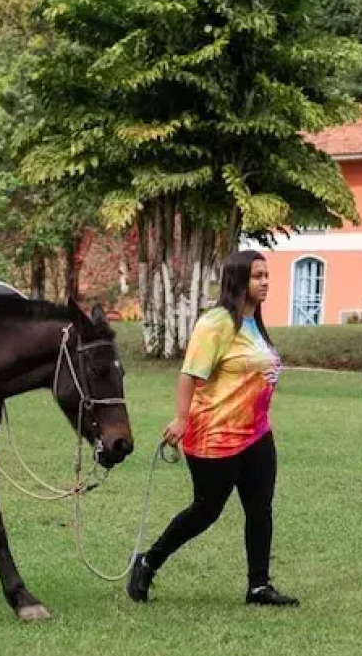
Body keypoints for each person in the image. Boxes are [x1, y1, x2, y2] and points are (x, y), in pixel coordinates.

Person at [126, 250, 298, 607]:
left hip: (257, 433)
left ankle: (258, 586)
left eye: (267, 275)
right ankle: (147, 563)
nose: (265, 282)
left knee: (260, 507)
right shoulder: (216, 323)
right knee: (206, 511)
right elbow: (189, 374)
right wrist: (181, 418)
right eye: (257, 276)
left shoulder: (253, 323)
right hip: (214, 434)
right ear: (238, 280)